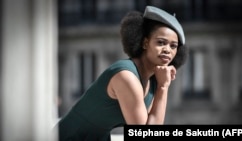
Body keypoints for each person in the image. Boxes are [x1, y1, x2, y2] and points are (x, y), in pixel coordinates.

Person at [57, 5, 188, 141]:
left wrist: (162, 86)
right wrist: (163, 87)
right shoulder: (127, 76)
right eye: (161, 42)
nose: (168, 50)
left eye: (173, 46)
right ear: (145, 43)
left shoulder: (154, 80)